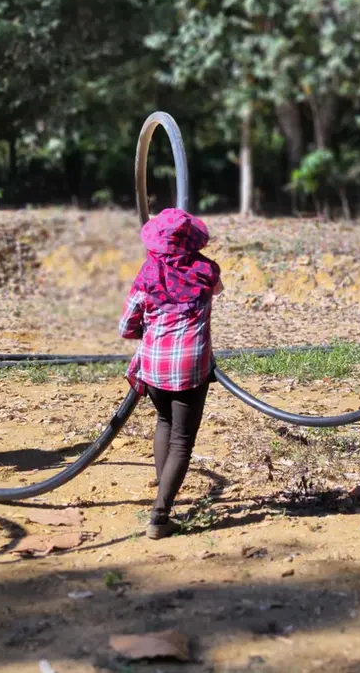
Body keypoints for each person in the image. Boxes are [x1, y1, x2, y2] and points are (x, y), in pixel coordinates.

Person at [119, 208, 222, 540]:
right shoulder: (206, 271)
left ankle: (164, 503)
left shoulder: (147, 274)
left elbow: (126, 326)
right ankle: (160, 515)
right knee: (182, 440)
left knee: (164, 423)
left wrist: (148, 332)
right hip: (191, 365)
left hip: (154, 365)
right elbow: (216, 291)